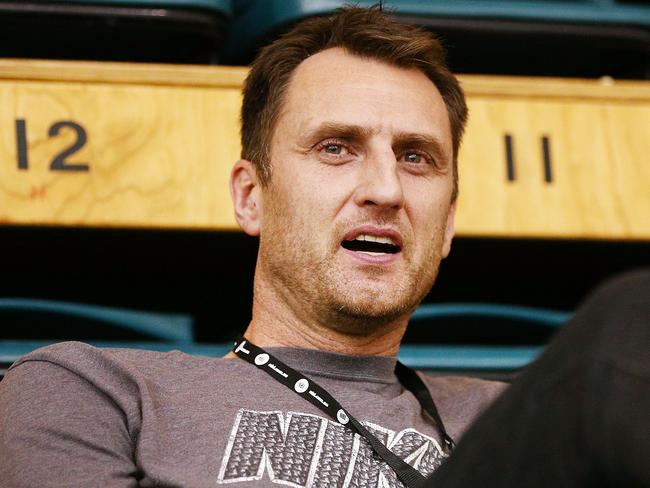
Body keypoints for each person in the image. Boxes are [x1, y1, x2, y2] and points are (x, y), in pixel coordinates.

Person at [1, 6, 648, 488]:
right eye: (336, 147)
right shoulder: (92, 392)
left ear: (448, 222)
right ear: (251, 195)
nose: (386, 188)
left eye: (417, 158)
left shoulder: (528, 419)